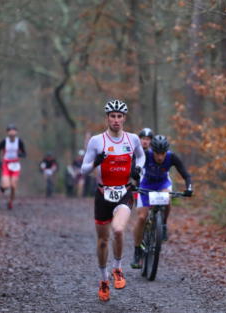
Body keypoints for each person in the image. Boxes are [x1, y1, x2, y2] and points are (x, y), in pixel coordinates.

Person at [81, 100, 145, 301]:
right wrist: (94, 163)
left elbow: (141, 157)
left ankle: (117, 269)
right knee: (102, 242)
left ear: (124, 118)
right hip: (103, 194)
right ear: (107, 118)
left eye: (119, 116)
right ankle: (103, 280)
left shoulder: (132, 139)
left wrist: (138, 170)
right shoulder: (97, 141)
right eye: (112, 116)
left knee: (118, 230)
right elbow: (83, 169)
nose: (116, 120)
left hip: (124, 192)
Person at [130, 135, 193, 269]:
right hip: (146, 184)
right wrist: (132, 177)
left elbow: (186, 174)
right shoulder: (146, 154)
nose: (160, 157)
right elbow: (133, 167)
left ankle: (163, 224)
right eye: (157, 153)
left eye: (162, 153)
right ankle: (137, 252)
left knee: (167, 197)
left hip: (163, 183)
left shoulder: (172, 157)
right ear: (152, 151)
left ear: (166, 152)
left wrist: (189, 188)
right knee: (141, 218)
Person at [0, 124, 27, 210]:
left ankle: (10, 202)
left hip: (16, 165)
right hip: (6, 164)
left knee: (13, 185)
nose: (12, 132)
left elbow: (24, 153)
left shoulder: (19, 142)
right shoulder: (4, 142)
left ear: (16, 132)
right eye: (10, 130)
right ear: (8, 132)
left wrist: (20, 154)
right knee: (6, 186)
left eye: (13, 130)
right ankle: (2, 188)